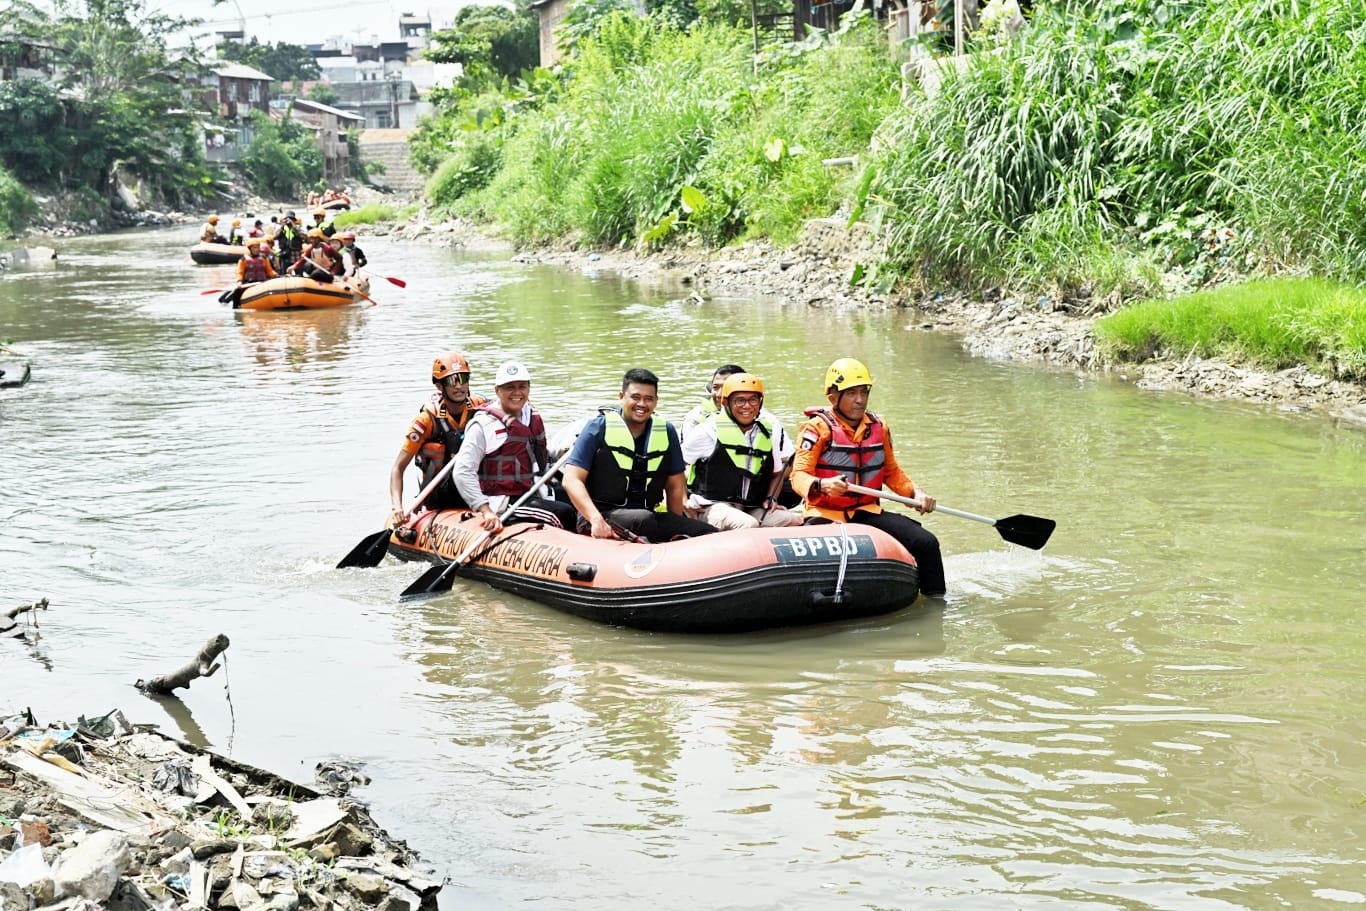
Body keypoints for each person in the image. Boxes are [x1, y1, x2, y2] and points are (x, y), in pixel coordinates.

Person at [790, 358, 946, 597]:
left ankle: (936, 603)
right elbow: (798, 475)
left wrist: (916, 493)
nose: (860, 400)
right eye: (852, 393)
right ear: (833, 397)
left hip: (866, 511)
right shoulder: (816, 429)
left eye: (864, 392)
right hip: (824, 513)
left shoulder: (879, 427)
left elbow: (891, 472)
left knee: (926, 543)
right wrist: (821, 485)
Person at [560, 368, 716, 542]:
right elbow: (571, 479)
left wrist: (676, 525)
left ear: (656, 401)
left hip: (648, 517)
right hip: (600, 516)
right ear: (621, 396)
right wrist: (595, 519)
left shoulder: (666, 431)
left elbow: (674, 485)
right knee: (643, 518)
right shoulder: (597, 428)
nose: (642, 404)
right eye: (635, 397)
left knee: (708, 532)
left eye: (648, 399)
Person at [452, 361, 578, 532]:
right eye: (510, 387)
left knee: (581, 497)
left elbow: (537, 458)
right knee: (564, 513)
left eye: (522, 387)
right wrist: (485, 510)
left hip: (534, 489)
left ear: (529, 389)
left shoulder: (531, 416)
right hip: (502, 501)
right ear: (497, 390)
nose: (517, 393)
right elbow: (462, 472)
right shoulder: (483, 425)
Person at [682, 373, 802, 530]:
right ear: (726, 402)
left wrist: (771, 498)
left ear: (760, 402)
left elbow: (777, 473)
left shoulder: (768, 432)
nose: (747, 406)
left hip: (752, 507)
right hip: (712, 507)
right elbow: (674, 467)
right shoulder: (707, 430)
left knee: (792, 520)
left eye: (753, 400)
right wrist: (683, 501)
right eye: (740, 400)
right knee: (747, 524)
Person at [389, 352, 489, 527]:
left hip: (477, 487)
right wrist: (397, 507)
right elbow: (398, 468)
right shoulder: (426, 420)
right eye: (452, 381)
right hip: (441, 493)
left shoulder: (480, 406)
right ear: (439, 386)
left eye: (463, 379)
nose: (459, 386)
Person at [680, 364, 746, 442]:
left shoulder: (755, 414)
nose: (719, 394)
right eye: (715, 387)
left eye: (726, 387)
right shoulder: (695, 418)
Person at [226, 239, 278, 307]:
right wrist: (239, 281)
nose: (256, 249)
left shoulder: (264, 258)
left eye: (258, 247)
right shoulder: (243, 259)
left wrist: (276, 275)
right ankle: (235, 308)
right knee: (237, 292)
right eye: (254, 248)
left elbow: (269, 271)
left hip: (262, 282)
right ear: (250, 249)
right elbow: (240, 272)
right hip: (248, 283)